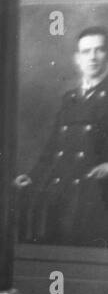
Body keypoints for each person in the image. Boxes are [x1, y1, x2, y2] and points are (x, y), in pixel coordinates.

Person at [16, 26, 108, 245]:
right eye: (86, 52)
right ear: (77, 59)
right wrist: (34, 176)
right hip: (64, 196)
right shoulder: (70, 98)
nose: (93, 57)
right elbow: (53, 148)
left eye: (99, 50)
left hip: (97, 198)